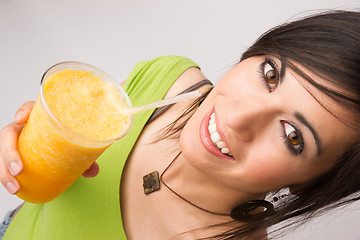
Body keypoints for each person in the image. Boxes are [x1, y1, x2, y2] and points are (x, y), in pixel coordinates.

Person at [0, 9, 359, 240]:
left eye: (292, 135)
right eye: (270, 74)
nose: (237, 117)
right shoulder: (165, 77)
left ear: (312, 181)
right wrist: (30, 144)